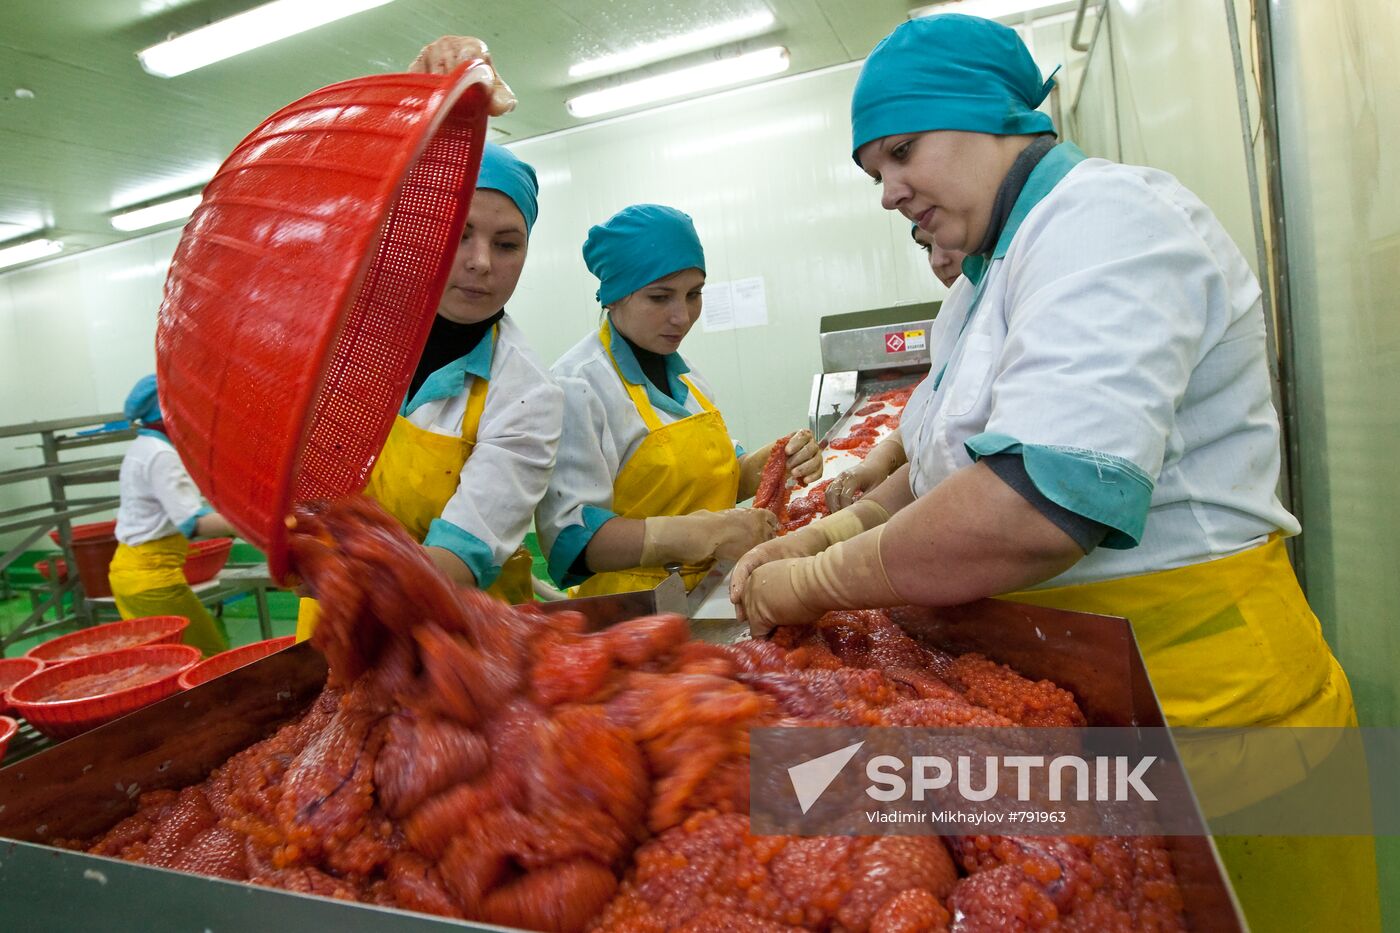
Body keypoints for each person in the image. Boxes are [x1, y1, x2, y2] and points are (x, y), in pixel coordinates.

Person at [730, 16, 1372, 927]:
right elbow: (942, 467)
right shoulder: (981, 283)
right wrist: (836, 527)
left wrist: (819, 580)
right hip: (1085, 708)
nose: (887, 191)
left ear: (991, 118)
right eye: (873, 170)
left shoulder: (1110, 221)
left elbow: (1030, 509)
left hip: (1210, 713)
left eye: (903, 151)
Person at [295, 139, 562, 639]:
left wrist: (325, 571)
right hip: (333, 633)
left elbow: (462, 554)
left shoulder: (526, 392)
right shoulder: (347, 343)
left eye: (506, 244)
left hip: (461, 641)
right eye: (458, 234)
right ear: (419, 234)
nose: (481, 262)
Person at [537, 204, 821, 597]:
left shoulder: (688, 375)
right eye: (660, 297)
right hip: (636, 610)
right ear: (614, 297)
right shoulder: (577, 386)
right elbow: (572, 540)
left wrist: (775, 461)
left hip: (711, 591)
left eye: (694, 294)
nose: (682, 317)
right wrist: (705, 533)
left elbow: (718, 476)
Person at [825, 230, 969, 512]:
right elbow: (933, 411)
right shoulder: (957, 306)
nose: (938, 261)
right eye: (927, 247)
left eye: (948, 238)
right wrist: (881, 458)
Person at [109, 375, 238, 656]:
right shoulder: (160, 455)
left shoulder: (143, 447)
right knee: (208, 660)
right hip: (152, 580)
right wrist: (252, 525)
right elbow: (193, 523)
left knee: (170, 660)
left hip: (131, 574)